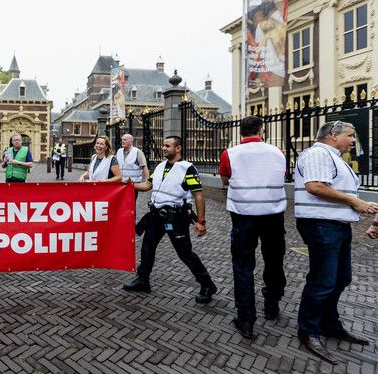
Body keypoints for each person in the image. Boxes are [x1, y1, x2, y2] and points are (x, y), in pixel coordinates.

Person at [294, 120, 378, 364]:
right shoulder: (318, 154)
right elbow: (315, 186)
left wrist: (365, 207)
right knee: (323, 281)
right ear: (333, 135)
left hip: (336, 225)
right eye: (351, 136)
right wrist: (355, 203)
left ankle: (328, 324)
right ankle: (308, 331)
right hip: (321, 226)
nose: (354, 141)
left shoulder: (331, 156)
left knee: (341, 278)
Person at [122, 136, 217, 304]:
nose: (164, 148)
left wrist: (201, 221)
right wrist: (129, 184)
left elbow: (198, 195)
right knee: (147, 247)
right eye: (163, 145)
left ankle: (207, 285)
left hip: (177, 217)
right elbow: (147, 185)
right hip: (156, 215)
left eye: (167, 146)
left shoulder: (187, 169)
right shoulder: (159, 167)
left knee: (185, 254)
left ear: (178, 148)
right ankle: (143, 280)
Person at [219, 116, 287, 339]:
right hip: (273, 214)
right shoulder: (278, 152)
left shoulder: (230, 153)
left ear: (241, 132)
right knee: (274, 261)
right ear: (262, 130)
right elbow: (283, 175)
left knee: (243, 266)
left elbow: (225, 179)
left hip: (243, 215)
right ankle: (271, 303)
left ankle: (246, 318)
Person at [115, 133, 149, 198]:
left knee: (131, 204)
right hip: (120, 184)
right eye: (122, 140)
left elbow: (144, 167)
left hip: (133, 184)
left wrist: (147, 182)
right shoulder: (119, 151)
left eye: (125, 140)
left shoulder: (138, 152)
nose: (122, 141)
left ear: (131, 142)